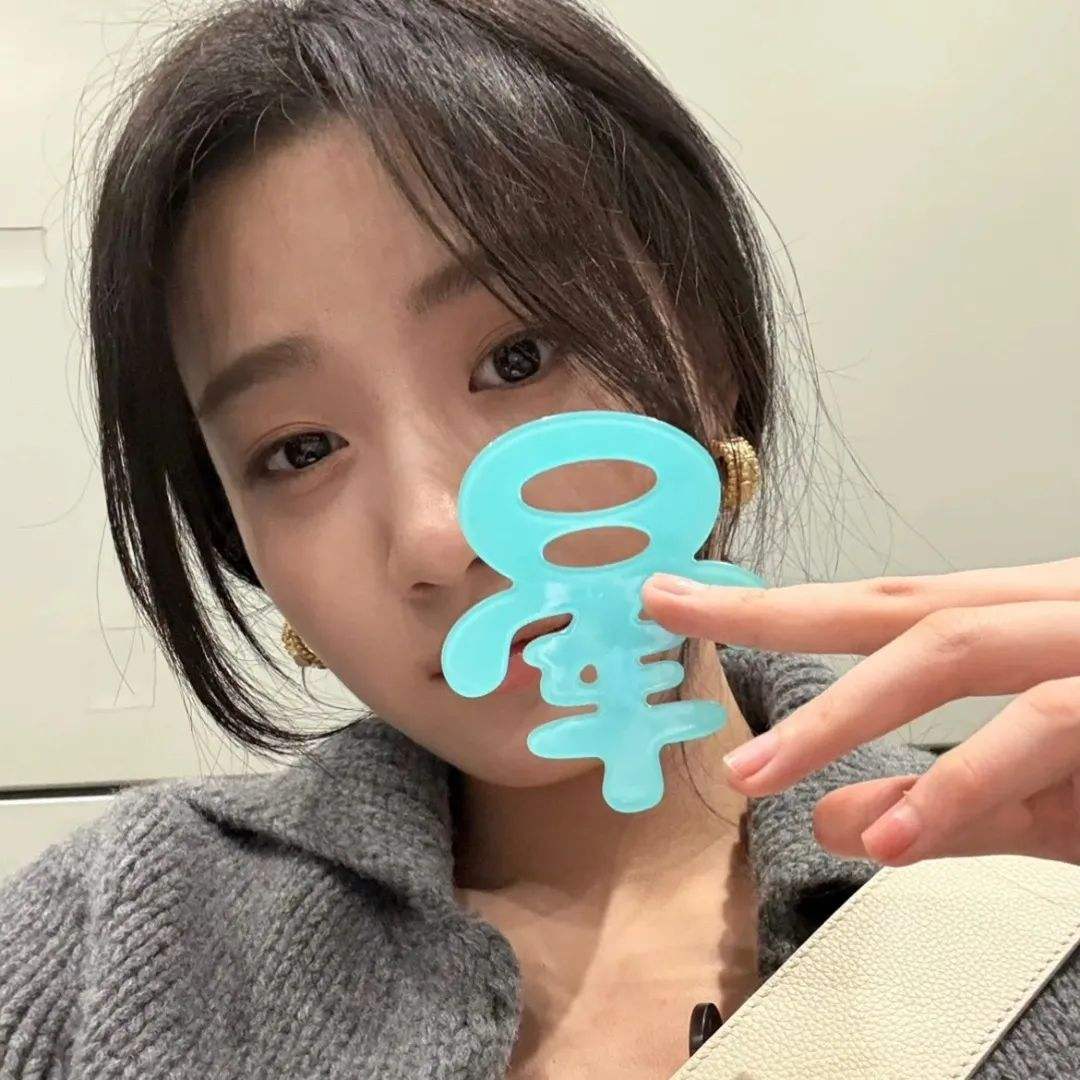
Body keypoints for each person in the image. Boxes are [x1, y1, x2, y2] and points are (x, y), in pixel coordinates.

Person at [0, 1, 1075, 1077]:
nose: (436, 535)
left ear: (710, 357)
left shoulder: (1034, 886)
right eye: (301, 449)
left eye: (517, 358)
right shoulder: (101, 945)